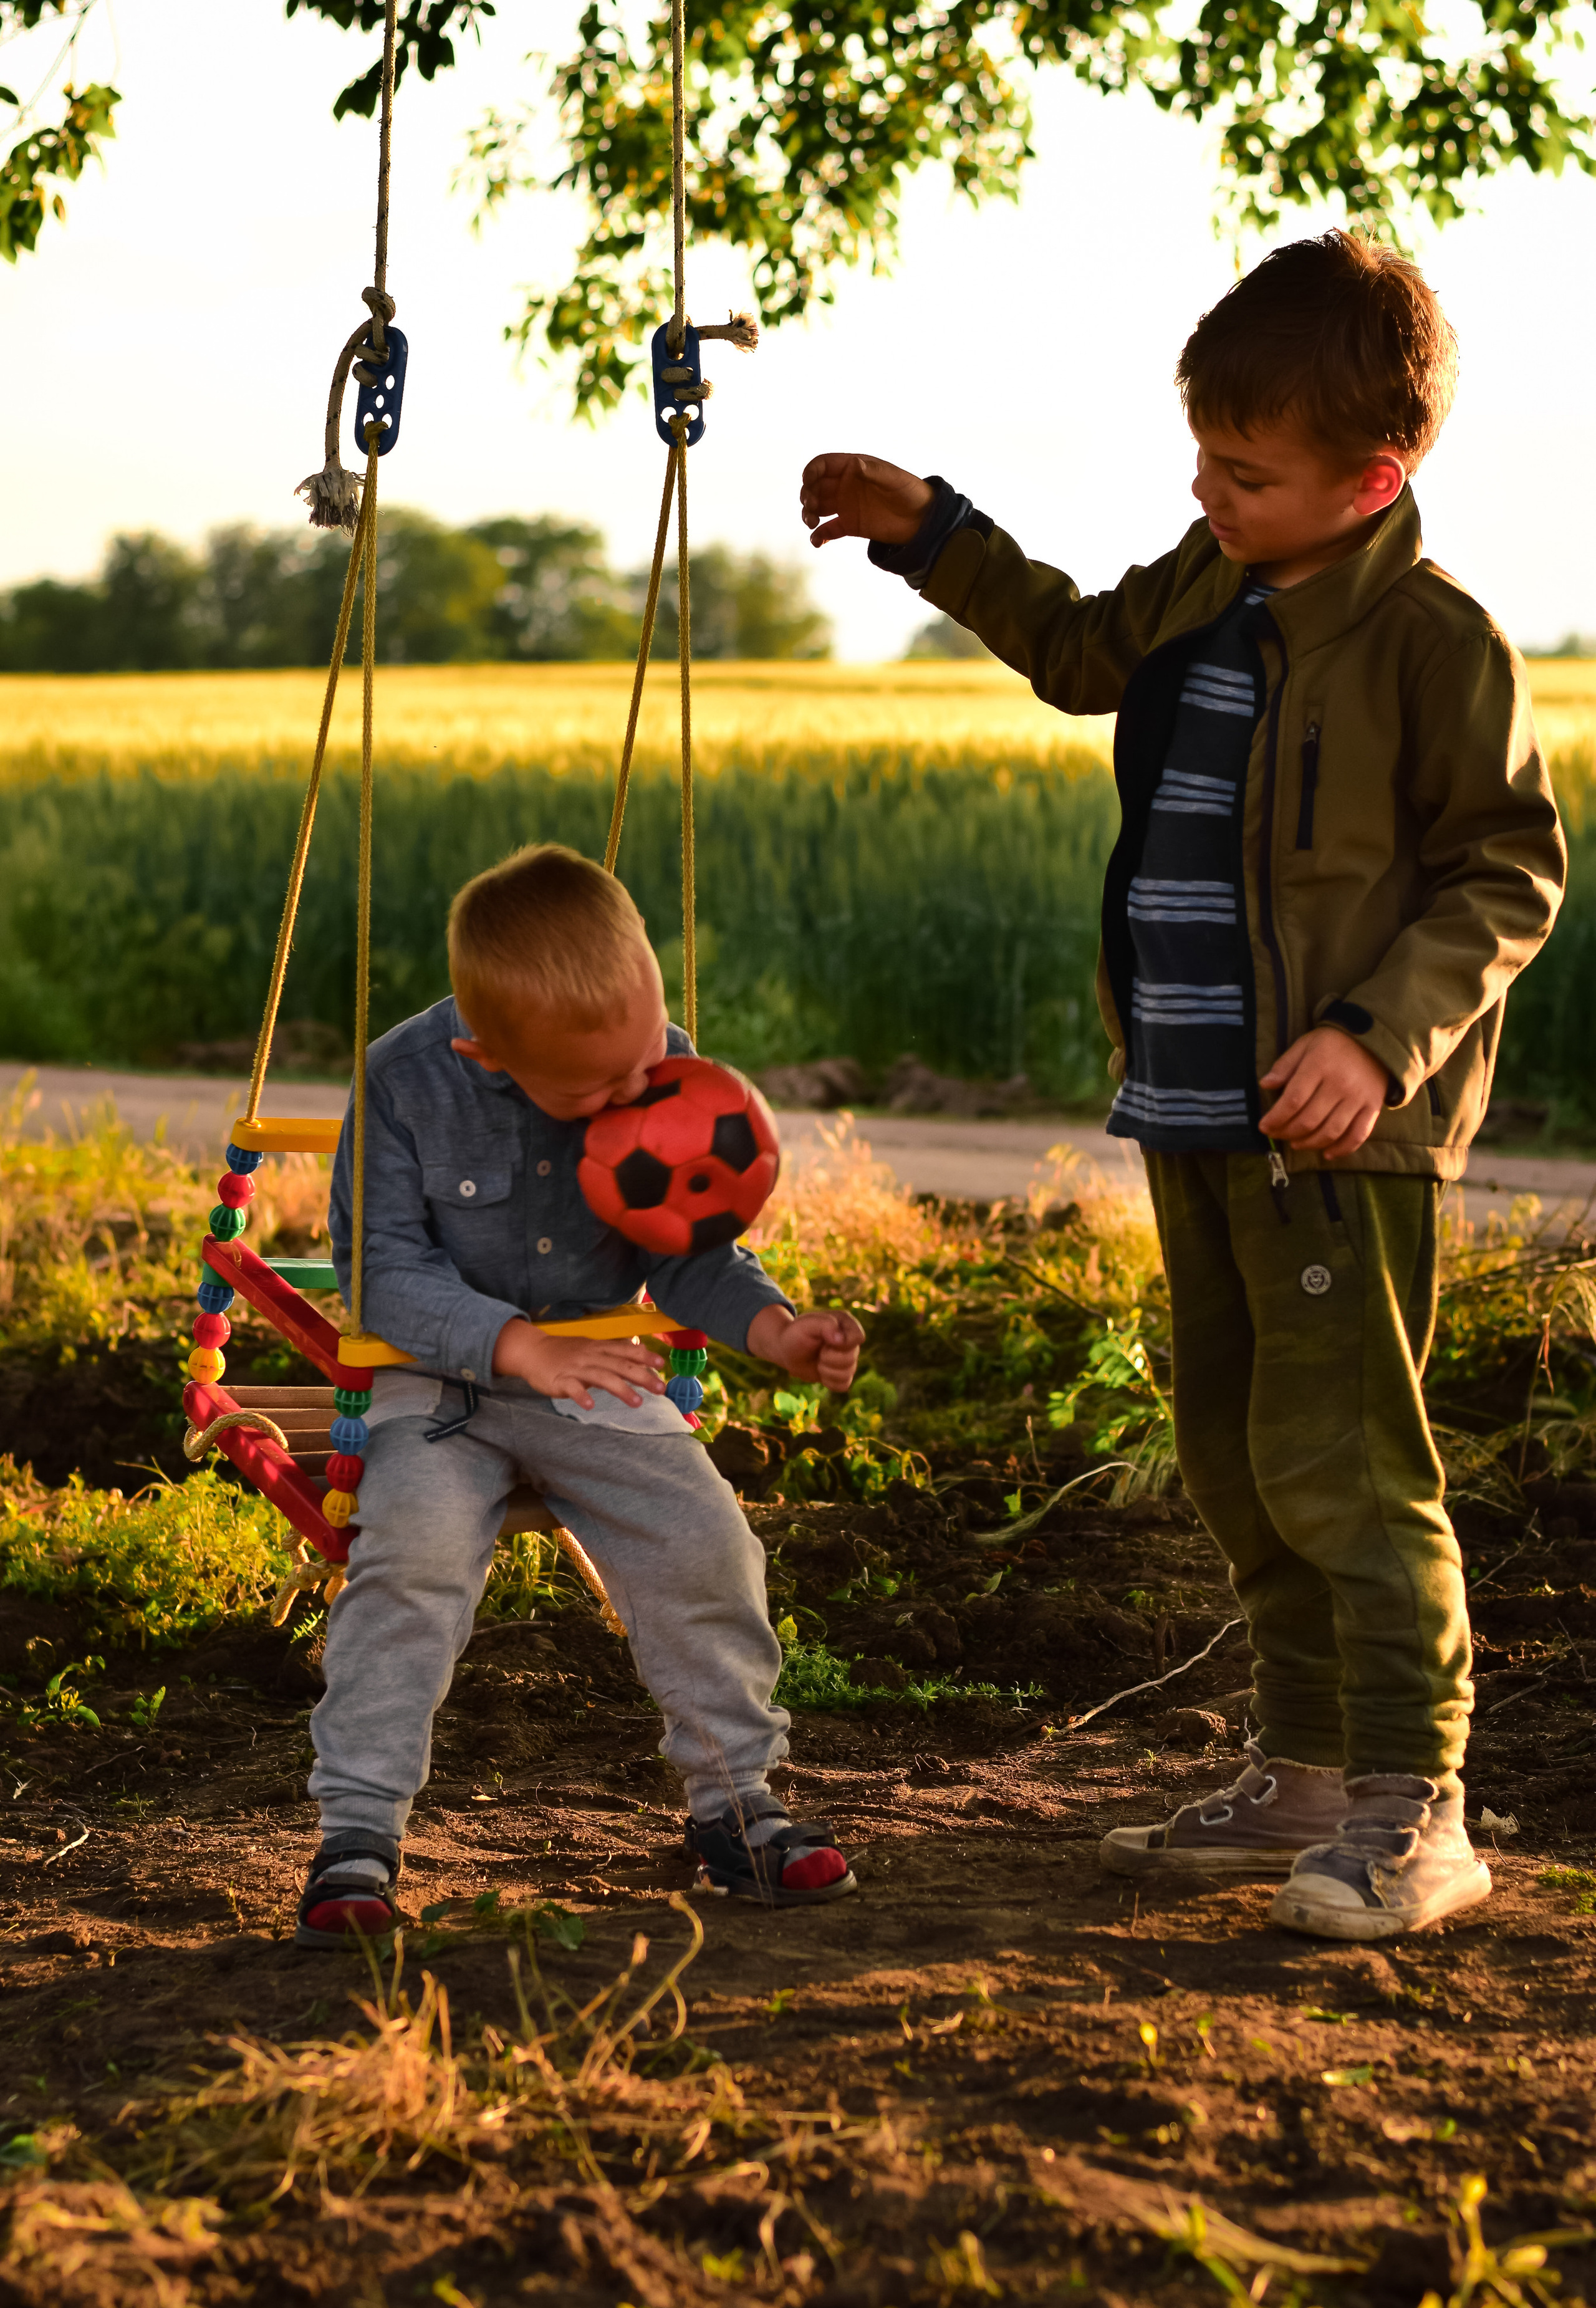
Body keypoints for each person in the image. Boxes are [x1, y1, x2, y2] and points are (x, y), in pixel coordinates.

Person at [800, 231, 1565, 1940]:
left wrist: (1375, 1039)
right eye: (1202, 456)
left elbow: (1508, 875)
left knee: (1347, 1459)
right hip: (1199, 1100)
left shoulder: (1440, 645)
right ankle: (1300, 1776)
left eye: (1248, 471)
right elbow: (1084, 655)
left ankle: (1414, 1806)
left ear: (1376, 476)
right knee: (1230, 1449)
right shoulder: (1212, 584)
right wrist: (939, 537)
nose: (1210, 492)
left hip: (1340, 1132)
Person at [297, 843, 865, 1945]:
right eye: (595, 1092)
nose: (632, 1094)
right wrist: (520, 1349)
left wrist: (775, 1329)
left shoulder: (665, 1063)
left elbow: (690, 1248)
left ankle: (736, 1804)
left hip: (603, 1377)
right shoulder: (403, 1081)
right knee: (406, 1561)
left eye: (645, 1058)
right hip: (439, 1385)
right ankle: (356, 1835)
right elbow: (384, 1277)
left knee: (708, 1546)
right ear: (486, 1050)